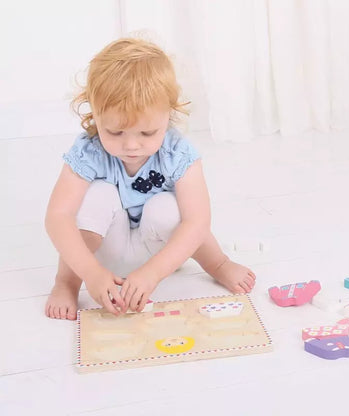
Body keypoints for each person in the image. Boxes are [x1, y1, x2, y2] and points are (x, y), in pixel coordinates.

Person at [45, 37, 256, 320]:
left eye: (147, 133)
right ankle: (66, 282)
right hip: (106, 253)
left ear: (168, 115)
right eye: (115, 133)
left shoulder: (177, 154)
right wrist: (92, 274)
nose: (131, 146)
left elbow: (198, 222)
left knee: (169, 207)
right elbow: (58, 217)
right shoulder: (89, 152)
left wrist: (152, 273)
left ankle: (218, 264)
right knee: (98, 195)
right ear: (95, 115)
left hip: (160, 252)